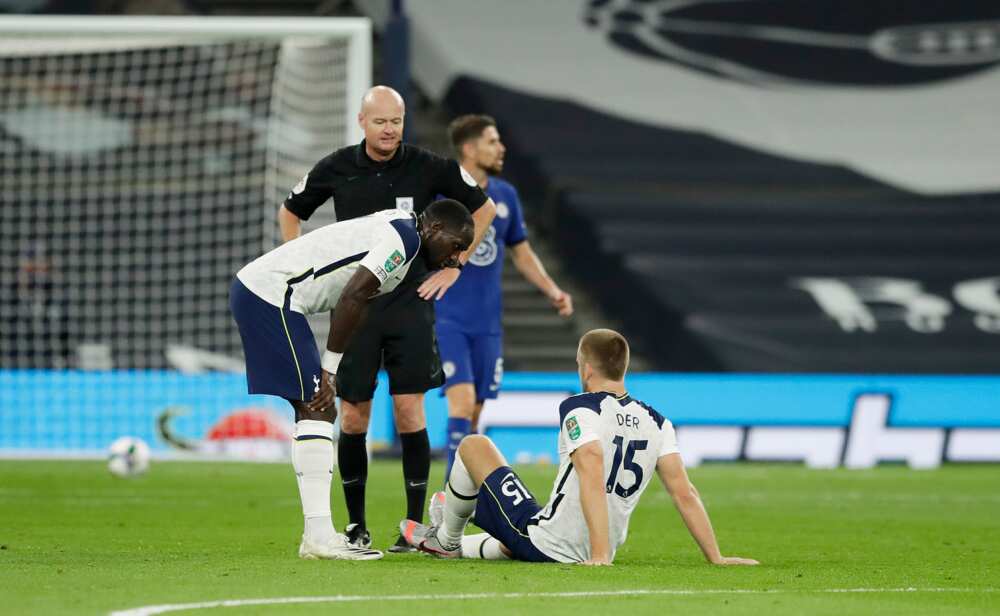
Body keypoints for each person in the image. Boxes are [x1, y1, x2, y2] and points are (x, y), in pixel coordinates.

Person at [278, 86, 497, 552]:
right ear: (362, 121)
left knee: (409, 411)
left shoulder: (427, 166)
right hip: (356, 306)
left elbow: (484, 208)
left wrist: (453, 268)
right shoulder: (336, 166)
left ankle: (413, 527)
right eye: (380, 121)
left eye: (396, 121)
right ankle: (356, 526)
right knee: (353, 416)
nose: (389, 129)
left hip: (409, 304)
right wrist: (300, 263)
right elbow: (291, 211)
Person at [230, 201, 475, 561]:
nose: (456, 258)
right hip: (273, 295)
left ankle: (317, 535)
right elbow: (352, 296)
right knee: (318, 407)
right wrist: (329, 371)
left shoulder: (404, 231)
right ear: (435, 229)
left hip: (272, 295)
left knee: (314, 409)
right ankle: (317, 537)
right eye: (456, 245)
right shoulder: (404, 241)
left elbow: (355, 299)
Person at [399, 329, 759, 566]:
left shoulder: (582, 407)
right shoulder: (657, 421)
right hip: (589, 543)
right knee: (520, 532)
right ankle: (455, 533)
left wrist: (599, 558)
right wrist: (716, 556)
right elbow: (685, 492)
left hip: (557, 543)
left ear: (586, 369)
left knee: (474, 446)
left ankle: (447, 538)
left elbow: (590, 465)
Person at [434, 114, 573, 487]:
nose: (501, 148)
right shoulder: (439, 194)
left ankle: (460, 501)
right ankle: (446, 502)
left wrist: (552, 290)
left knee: (474, 416)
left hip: (487, 323)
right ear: (469, 148)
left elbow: (522, 253)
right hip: (447, 316)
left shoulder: (506, 195)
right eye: (492, 141)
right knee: (461, 406)